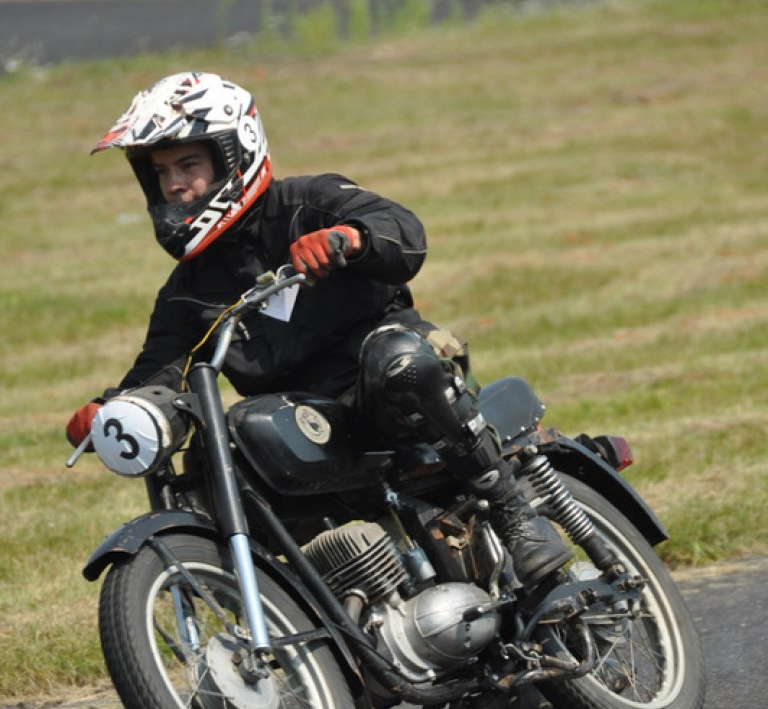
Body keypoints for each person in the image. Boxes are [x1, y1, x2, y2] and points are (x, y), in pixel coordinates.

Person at [66, 71, 570, 586]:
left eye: (188, 164)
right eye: (161, 171)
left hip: (397, 388)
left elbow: (404, 232)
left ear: (234, 153)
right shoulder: (187, 293)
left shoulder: (307, 203)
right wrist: (112, 410)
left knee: (397, 362)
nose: (175, 184)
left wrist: (349, 238)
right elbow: (159, 371)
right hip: (312, 424)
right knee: (221, 452)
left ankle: (512, 511)